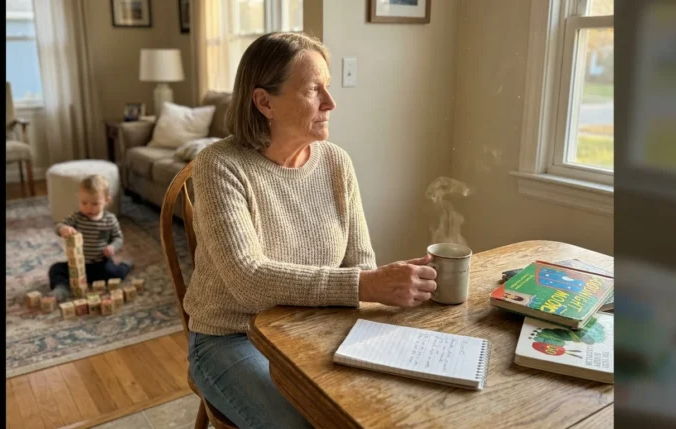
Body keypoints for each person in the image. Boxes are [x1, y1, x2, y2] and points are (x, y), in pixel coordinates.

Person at [183, 32, 438, 428]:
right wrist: (366, 285)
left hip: (314, 327)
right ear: (264, 102)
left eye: (328, 88)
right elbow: (248, 281)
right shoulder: (219, 166)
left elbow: (360, 262)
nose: (330, 103)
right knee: (310, 422)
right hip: (231, 338)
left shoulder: (336, 162)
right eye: (313, 90)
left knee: (388, 406)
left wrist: (380, 289)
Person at [48, 174, 132, 301]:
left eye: (94, 204)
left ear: (106, 201)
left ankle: (125, 266)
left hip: (100, 263)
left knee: (115, 273)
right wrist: (63, 229)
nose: (88, 207)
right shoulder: (76, 217)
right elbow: (59, 225)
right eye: (84, 203)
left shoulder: (110, 220)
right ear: (79, 199)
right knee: (56, 269)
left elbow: (118, 238)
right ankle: (61, 288)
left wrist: (112, 247)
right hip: (77, 266)